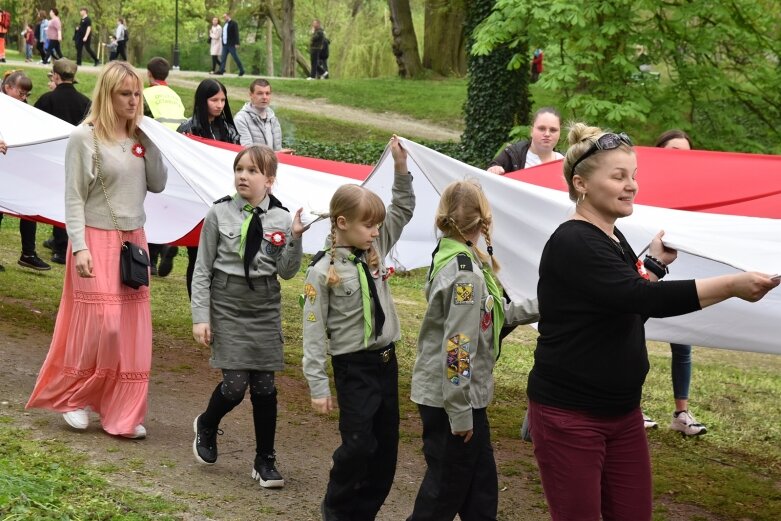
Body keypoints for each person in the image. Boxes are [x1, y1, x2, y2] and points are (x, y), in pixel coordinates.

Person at [526, 122, 778, 521]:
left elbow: (627, 302)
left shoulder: (613, 237)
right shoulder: (574, 241)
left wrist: (656, 265)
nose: (632, 186)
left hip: (622, 413)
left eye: (634, 176)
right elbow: (643, 299)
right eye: (618, 176)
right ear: (581, 183)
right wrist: (732, 284)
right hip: (570, 417)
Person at [26, 61, 168, 439]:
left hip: (132, 241)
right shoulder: (84, 138)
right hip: (93, 239)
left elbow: (158, 183)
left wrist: (151, 141)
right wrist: (79, 247)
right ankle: (75, 397)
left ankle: (120, 411)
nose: (134, 101)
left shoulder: (141, 136)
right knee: (102, 325)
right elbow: (73, 198)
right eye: (126, 94)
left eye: (137, 93)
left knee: (127, 331)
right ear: (108, 95)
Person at [407, 180, 539, 521]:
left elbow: (493, 317)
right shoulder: (465, 274)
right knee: (443, 494)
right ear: (484, 223)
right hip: (453, 402)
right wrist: (460, 413)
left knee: (481, 492)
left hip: (463, 398)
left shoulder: (455, 255)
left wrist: (547, 303)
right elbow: (458, 348)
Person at [302, 136, 414, 521]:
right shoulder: (321, 272)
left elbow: (404, 207)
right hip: (353, 368)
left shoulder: (374, 248)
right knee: (358, 446)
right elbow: (314, 332)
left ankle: (361, 514)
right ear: (342, 223)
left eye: (377, 226)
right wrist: (318, 385)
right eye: (368, 226)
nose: (374, 232)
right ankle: (336, 509)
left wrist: (400, 167)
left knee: (386, 452)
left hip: (386, 363)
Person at [190, 144, 307, 487]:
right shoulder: (219, 213)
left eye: (252, 171)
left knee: (265, 386)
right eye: (239, 169)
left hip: (264, 304)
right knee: (236, 384)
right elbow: (202, 270)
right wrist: (201, 316)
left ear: (269, 180)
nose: (243, 175)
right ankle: (208, 423)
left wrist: (296, 238)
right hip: (227, 301)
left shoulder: (281, 218)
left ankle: (264, 459)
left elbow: (286, 271)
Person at [636, 129, 706, 435]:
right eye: (673, 150)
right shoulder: (641, 185)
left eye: (686, 152)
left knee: (683, 341)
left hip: (681, 271)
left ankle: (681, 413)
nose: (681, 157)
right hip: (648, 270)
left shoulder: (699, 188)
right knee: (633, 337)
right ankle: (632, 407)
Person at [177, 79, 241, 298]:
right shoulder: (188, 129)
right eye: (214, 100)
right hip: (197, 204)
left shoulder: (229, 130)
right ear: (202, 100)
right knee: (197, 258)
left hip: (225, 201)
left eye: (223, 100)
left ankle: (217, 307)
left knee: (221, 256)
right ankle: (198, 307)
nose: (220, 104)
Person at [35, 58, 92, 266]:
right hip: (77, 158)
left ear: (56, 76)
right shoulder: (85, 102)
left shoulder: (46, 100)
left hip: (50, 158)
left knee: (57, 199)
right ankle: (62, 244)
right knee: (74, 199)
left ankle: (60, 246)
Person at [0, 71, 51, 272]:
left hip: (16, 168)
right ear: (8, 87)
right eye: (21, 93)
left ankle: (28, 253)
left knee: (27, 207)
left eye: (27, 95)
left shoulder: (23, 109)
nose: (23, 98)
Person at [142, 57, 186, 276]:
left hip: (152, 151)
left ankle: (150, 258)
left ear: (149, 74)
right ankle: (167, 244)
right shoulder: (175, 97)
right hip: (173, 153)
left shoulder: (146, 94)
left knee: (150, 207)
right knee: (164, 205)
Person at [487, 107, 564, 175]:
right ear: (531, 131)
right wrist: (494, 169)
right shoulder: (512, 155)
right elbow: (489, 177)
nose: (547, 134)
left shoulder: (565, 162)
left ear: (560, 133)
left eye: (553, 130)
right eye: (541, 128)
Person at [234, 78, 293, 152]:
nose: (264, 97)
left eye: (267, 93)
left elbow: (277, 149)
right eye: (260, 93)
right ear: (251, 95)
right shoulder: (241, 119)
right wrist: (277, 153)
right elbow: (247, 151)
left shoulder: (273, 118)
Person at [215, 12, 244, 77]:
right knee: (223, 58)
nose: (224, 18)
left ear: (228, 16)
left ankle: (242, 70)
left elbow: (236, 34)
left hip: (231, 44)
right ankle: (221, 70)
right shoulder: (225, 24)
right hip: (225, 44)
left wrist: (237, 43)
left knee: (235, 57)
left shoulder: (234, 23)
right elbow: (224, 34)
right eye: (223, 17)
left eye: (225, 17)